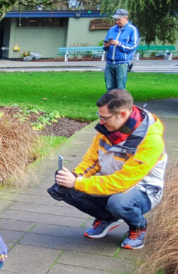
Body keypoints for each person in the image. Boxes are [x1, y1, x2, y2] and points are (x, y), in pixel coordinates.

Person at [52, 89, 167, 250]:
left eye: (104, 118)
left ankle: (137, 227)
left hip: (143, 190)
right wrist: (73, 177)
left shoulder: (150, 141)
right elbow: (91, 162)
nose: (100, 122)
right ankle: (107, 218)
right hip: (111, 184)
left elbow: (122, 183)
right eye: (100, 116)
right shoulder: (107, 129)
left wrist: (78, 182)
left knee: (118, 203)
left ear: (122, 114)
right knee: (65, 188)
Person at [102, 9, 139, 91]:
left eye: (119, 19)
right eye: (116, 19)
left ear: (125, 18)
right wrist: (106, 45)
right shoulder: (111, 29)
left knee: (120, 88)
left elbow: (133, 47)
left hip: (122, 63)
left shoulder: (132, 30)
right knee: (109, 87)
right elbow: (104, 46)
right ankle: (111, 103)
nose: (117, 21)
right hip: (109, 63)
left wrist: (119, 44)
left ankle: (120, 103)